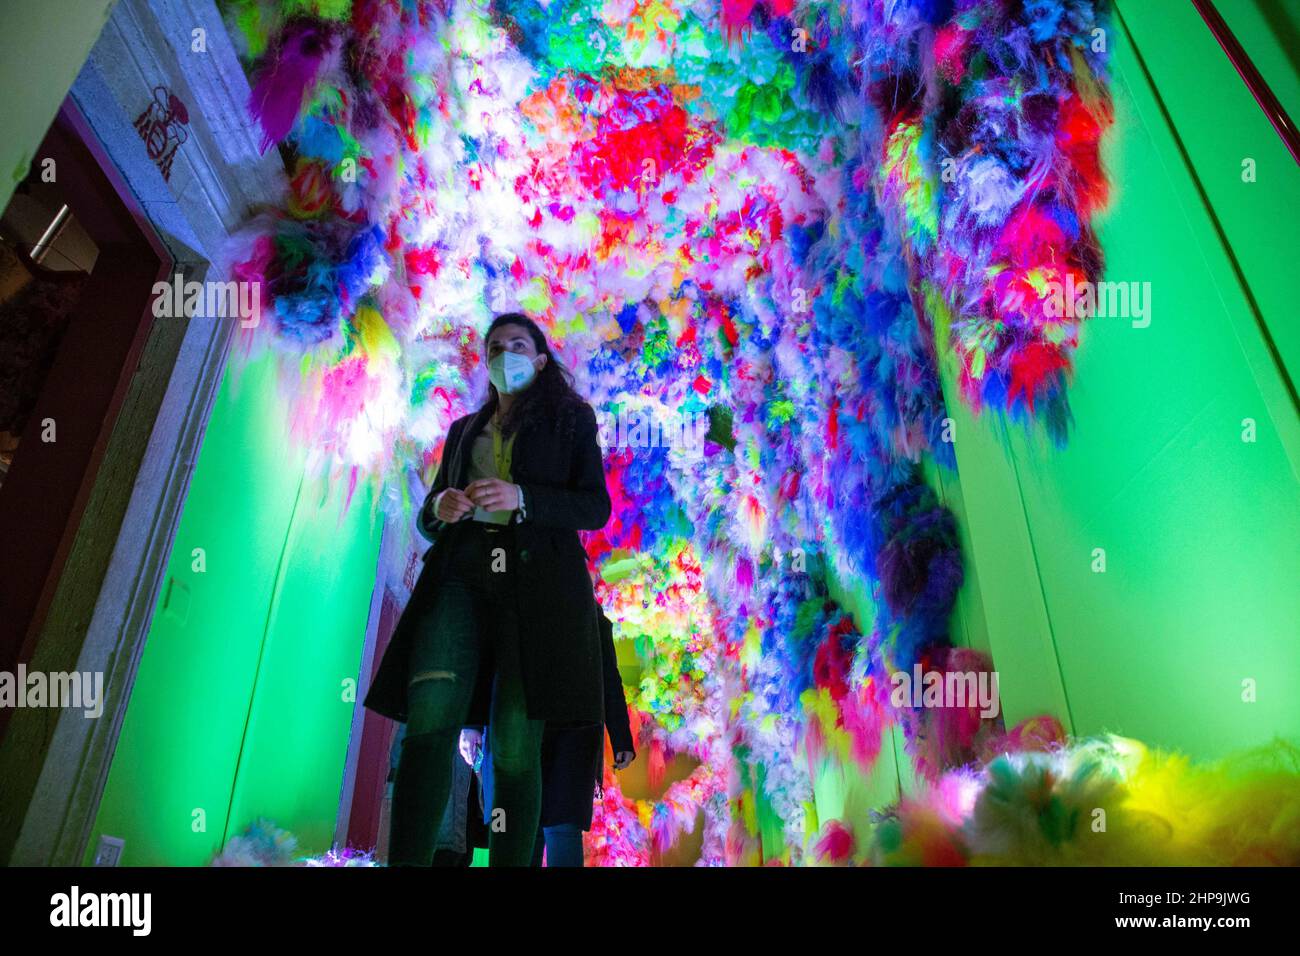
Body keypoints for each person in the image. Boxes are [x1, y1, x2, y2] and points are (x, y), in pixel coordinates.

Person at [363, 312, 612, 867]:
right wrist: (440, 508)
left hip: (539, 592)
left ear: (541, 359)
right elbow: (430, 521)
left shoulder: (572, 421)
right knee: (429, 718)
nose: (505, 354)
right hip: (462, 575)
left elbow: (595, 507)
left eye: (518, 345)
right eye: (495, 346)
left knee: (517, 746)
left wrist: (524, 497)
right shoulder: (462, 431)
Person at [463, 609, 636, 867]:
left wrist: (621, 734)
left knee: (540, 827)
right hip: (542, 724)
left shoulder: (582, 609)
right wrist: (472, 721)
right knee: (529, 827)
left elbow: (607, 674)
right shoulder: (583, 608)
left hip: (559, 728)